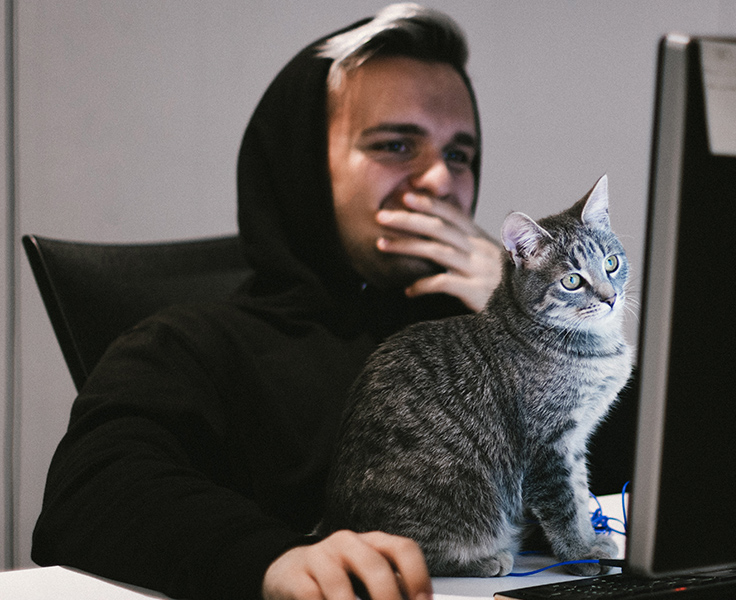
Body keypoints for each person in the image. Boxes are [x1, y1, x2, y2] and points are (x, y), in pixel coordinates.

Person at [31, 4, 502, 600]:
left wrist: (534, 323)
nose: (440, 181)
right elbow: (92, 494)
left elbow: (627, 497)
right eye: (396, 145)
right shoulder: (194, 346)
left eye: (458, 155)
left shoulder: (482, 334)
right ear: (304, 167)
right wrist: (273, 560)